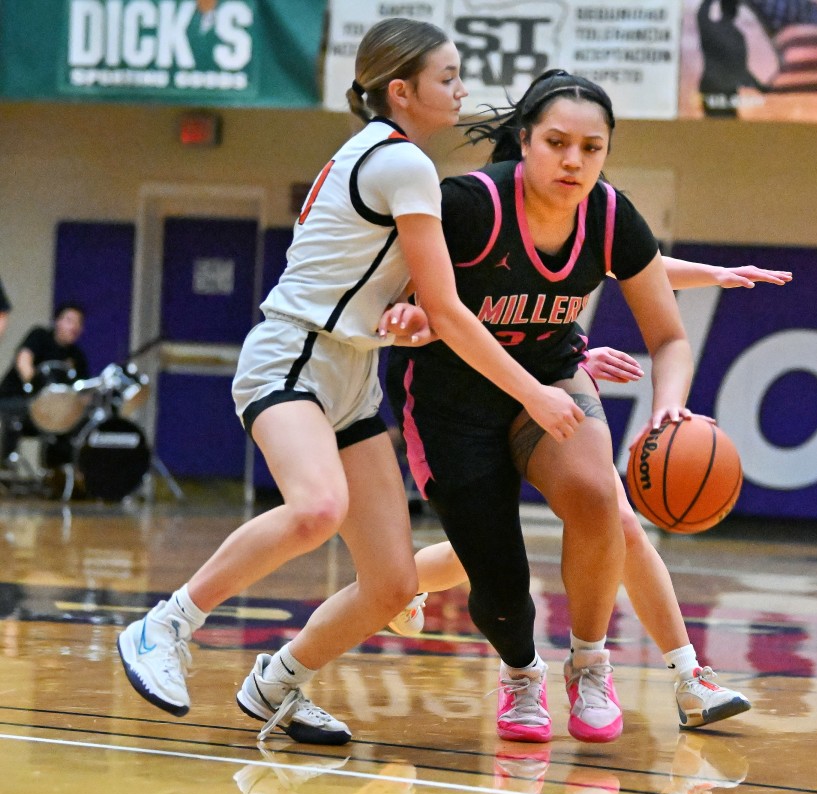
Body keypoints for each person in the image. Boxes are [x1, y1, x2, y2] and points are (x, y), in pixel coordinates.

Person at [116, 18, 582, 747]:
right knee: (316, 508)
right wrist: (533, 389)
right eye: (448, 78)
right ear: (401, 91)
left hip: (352, 372)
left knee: (394, 583)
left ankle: (281, 681)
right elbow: (452, 311)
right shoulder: (404, 165)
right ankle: (165, 625)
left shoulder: (389, 159)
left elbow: (419, 305)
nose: (462, 89)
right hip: (293, 357)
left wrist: (402, 320)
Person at [384, 68, 724, 745]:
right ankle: (519, 673)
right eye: (558, 143)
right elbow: (398, 290)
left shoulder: (608, 214)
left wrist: (670, 411)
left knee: (602, 498)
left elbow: (668, 337)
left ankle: (590, 664)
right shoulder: (469, 206)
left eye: (592, 148)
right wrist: (402, 316)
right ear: (525, 140)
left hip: (550, 377)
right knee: (499, 572)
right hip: (453, 396)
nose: (574, 161)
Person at [390, 260, 791, 730]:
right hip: (464, 398)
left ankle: (689, 678)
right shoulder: (479, 218)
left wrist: (713, 274)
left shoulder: (585, 218)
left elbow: (634, 263)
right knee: (491, 547)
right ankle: (406, 583)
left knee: (618, 521)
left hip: (554, 381)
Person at [0, 303, 89, 469]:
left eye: (79, 322)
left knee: (72, 421)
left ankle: (57, 473)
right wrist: (39, 392)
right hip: (14, 399)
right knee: (15, 415)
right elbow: (23, 361)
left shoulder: (77, 356)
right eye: (70, 320)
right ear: (57, 321)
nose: (74, 326)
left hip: (50, 411)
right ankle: (7, 469)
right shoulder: (39, 336)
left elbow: (83, 391)